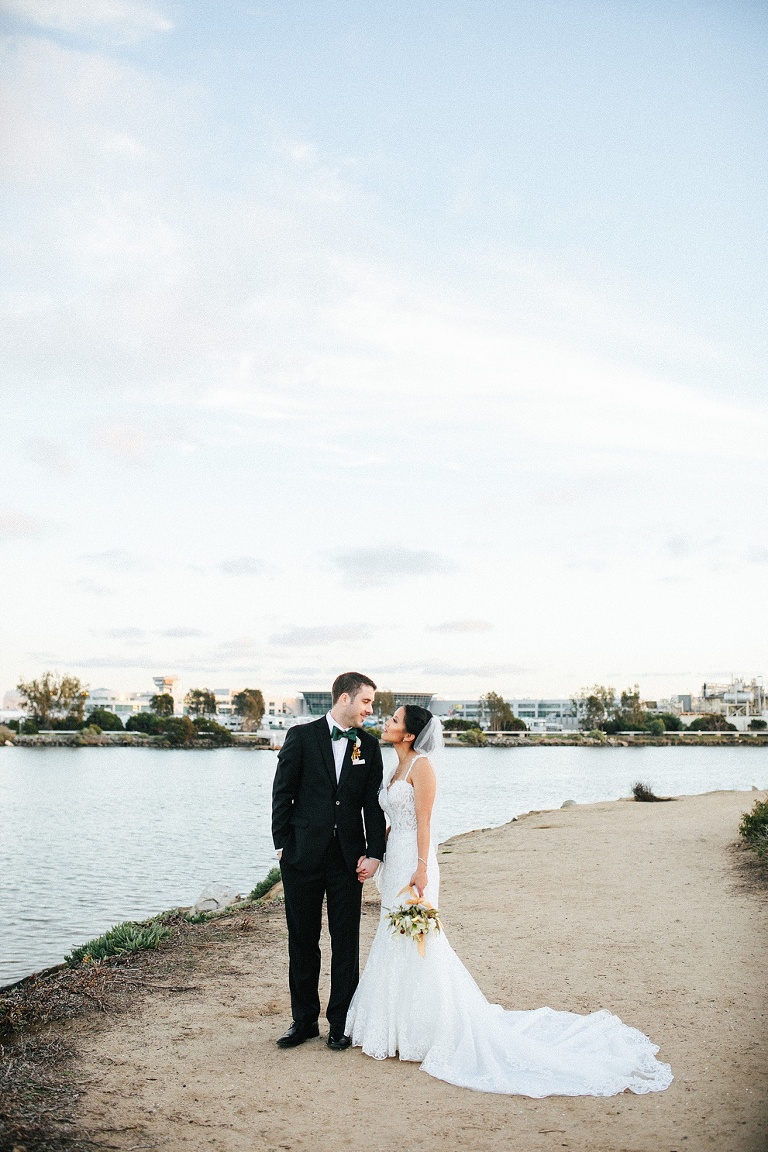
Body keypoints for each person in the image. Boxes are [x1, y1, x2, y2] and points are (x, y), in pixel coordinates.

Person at [345, 705, 674, 1096]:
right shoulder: (395, 766)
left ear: (410, 734)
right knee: (392, 934)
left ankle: (426, 1028)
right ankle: (391, 1026)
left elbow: (425, 823)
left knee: (420, 941)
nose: (387, 723)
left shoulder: (422, 768)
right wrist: (377, 856)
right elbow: (392, 820)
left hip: (415, 862)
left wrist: (421, 868)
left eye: (394, 720)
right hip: (395, 858)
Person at [272, 672, 386, 1051]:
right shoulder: (302, 736)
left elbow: (373, 804)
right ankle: (303, 1022)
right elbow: (282, 792)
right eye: (366, 701)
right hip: (301, 856)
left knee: (345, 942)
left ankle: (341, 1023)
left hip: (347, 861)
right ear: (345, 699)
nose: (370, 709)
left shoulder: (368, 746)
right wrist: (281, 845)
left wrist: (374, 854)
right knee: (302, 941)